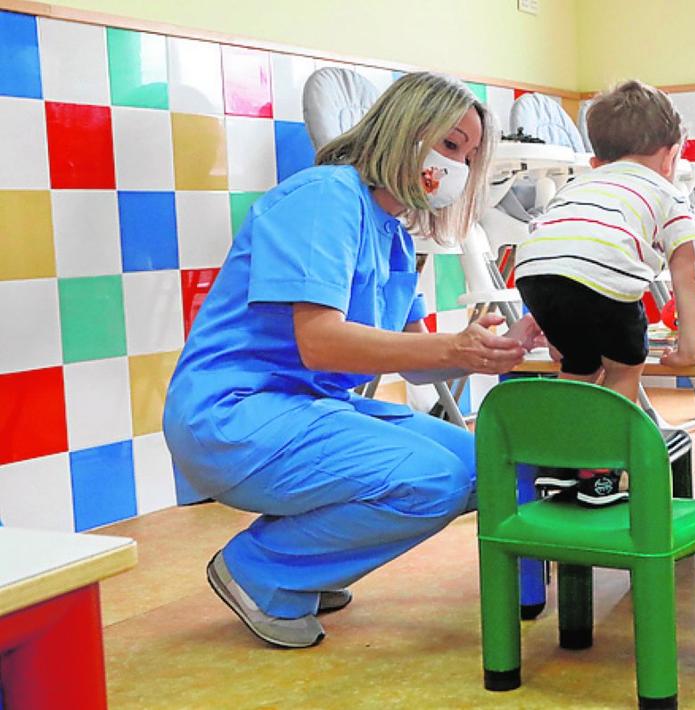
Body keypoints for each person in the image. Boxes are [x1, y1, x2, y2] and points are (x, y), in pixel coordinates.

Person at [162, 72, 544, 648]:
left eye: (466, 154)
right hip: (234, 415)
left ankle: (314, 561)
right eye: (449, 145)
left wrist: (493, 350)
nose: (458, 167)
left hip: (305, 408)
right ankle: (261, 570)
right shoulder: (324, 198)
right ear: (403, 131)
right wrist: (452, 345)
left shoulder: (390, 232)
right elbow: (321, 341)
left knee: (487, 463)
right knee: (434, 480)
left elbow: (416, 363)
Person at [514, 80, 695, 507]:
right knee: (622, 369)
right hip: (601, 275)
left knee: (579, 367)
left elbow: (560, 258)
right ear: (672, 156)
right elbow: (684, 274)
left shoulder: (580, 186)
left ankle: (560, 467)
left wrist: (550, 325)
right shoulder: (667, 191)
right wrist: (691, 349)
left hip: (532, 271)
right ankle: (600, 473)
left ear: (597, 160)